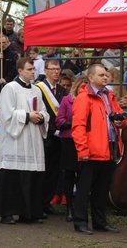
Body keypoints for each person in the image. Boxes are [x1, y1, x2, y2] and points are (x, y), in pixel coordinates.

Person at [0, 58, 49, 224]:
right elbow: (7, 114)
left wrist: (41, 116)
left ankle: (28, 213)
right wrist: (28, 116)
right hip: (16, 139)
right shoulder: (10, 88)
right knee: (12, 176)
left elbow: (44, 111)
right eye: (29, 69)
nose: (33, 72)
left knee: (31, 175)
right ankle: (6, 212)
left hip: (33, 138)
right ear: (20, 71)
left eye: (34, 69)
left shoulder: (37, 90)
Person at [71, 64, 127, 235]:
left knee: (102, 189)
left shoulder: (109, 96)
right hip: (91, 150)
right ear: (91, 78)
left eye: (106, 74)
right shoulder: (84, 98)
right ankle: (80, 221)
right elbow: (78, 126)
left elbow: (121, 118)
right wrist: (82, 150)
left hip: (108, 148)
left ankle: (99, 221)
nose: (105, 77)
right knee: (83, 189)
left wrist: (121, 121)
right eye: (101, 75)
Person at [35, 59, 66, 216]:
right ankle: (38, 203)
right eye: (52, 69)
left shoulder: (61, 90)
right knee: (43, 171)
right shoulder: (38, 89)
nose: (56, 71)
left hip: (59, 137)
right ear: (45, 70)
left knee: (54, 171)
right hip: (44, 134)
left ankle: (47, 202)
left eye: (58, 69)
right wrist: (53, 130)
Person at [55, 75, 88, 222]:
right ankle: (69, 207)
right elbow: (59, 120)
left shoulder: (91, 100)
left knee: (83, 176)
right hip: (69, 141)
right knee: (68, 175)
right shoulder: (66, 100)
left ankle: (81, 207)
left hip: (86, 141)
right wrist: (72, 122)